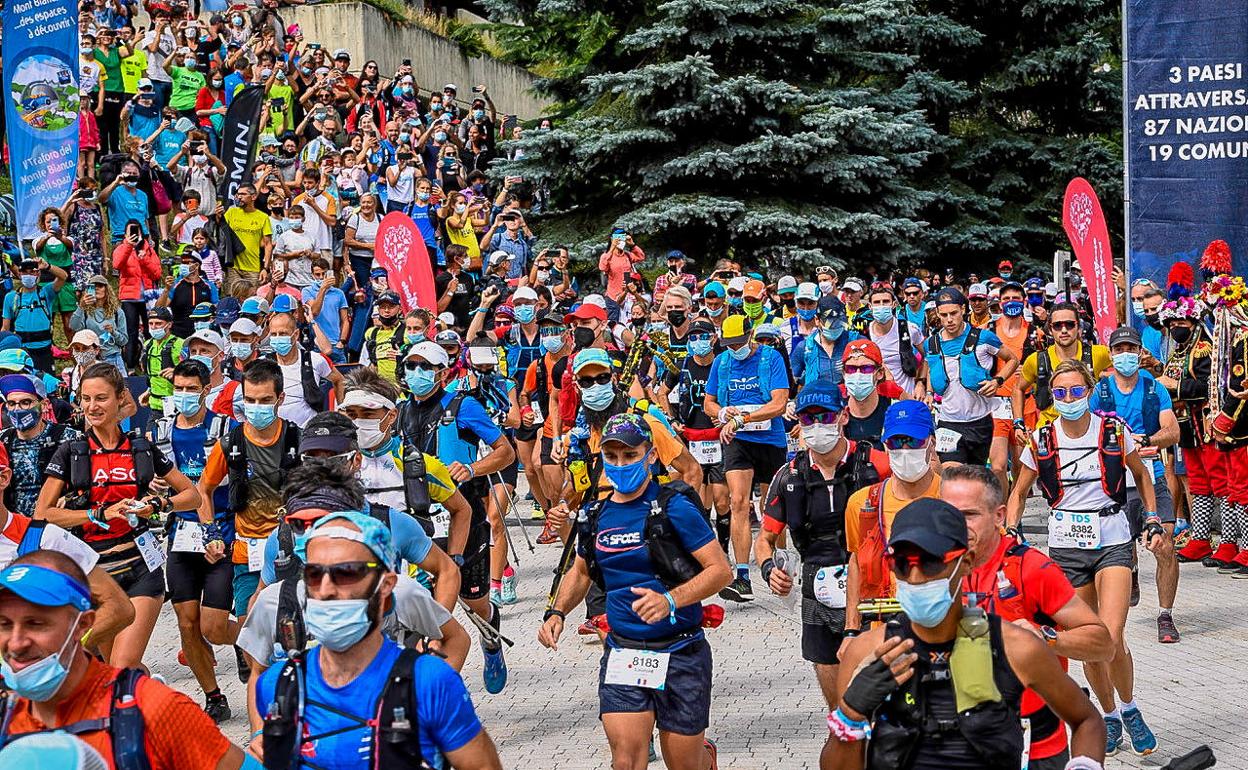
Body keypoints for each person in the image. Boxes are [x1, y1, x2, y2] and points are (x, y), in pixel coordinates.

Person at [826, 498, 1106, 770]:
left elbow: (1087, 720)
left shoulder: (1016, 648)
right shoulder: (866, 652)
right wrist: (850, 715)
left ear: (967, 560)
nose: (914, 576)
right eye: (900, 562)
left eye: (931, 561)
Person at [539, 413, 731, 770]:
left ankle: (706, 757)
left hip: (681, 650)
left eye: (630, 455)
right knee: (626, 761)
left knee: (684, 763)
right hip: (624, 652)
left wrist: (671, 599)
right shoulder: (595, 515)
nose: (620, 464)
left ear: (651, 456)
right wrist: (556, 612)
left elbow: (720, 571)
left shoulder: (674, 507)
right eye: (611, 457)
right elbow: (580, 572)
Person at [253, 512, 503, 769]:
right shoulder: (276, 686)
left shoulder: (430, 682)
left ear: (386, 585)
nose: (326, 589)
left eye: (346, 572)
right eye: (314, 573)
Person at [1008, 359, 1164, 757]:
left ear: (1090, 392)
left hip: (1112, 539)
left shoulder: (1113, 431)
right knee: (1087, 640)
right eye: (1060, 393)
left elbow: (1142, 474)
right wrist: (1010, 528)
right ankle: (1108, 715)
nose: (1069, 398)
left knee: (1109, 639)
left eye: (1077, 391)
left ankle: (1130, 709)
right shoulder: (1041, 439)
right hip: (1066, 546)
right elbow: (1020, 491)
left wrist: (1152, 515)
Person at [0, 550, 253, 769]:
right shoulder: (6, 716)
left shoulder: (154, 710)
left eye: (36, 624)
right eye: (4, 624)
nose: (16, 642)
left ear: (83, 624)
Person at [944, 463, 1113, 770]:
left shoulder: (1030, 568)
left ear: (999, 516)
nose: (957, 525)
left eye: (969, 514)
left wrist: (1047, 638)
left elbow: (1102, 643)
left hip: (1034, 748)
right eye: (948, 514)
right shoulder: (929, 569)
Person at [37, 363, 202, 670]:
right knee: (110, 670)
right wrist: (95, 513)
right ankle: (146, 699)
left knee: (123, 664)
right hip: (95, 573)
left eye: (100, 398)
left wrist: (158, 503)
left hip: (141, 566)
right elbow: (43, 513)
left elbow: (192, 495)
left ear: (120, 398)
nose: (92, 406)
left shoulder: (141, 448)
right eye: (85, 399)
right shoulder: (72, 452)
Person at [755, 380, 886, 747]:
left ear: (843, 416)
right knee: (841, 713)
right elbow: (764, 539)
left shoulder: (875, 463)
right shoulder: (789, 475)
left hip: (872, 589)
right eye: (807, 419)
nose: (817, 426)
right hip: (817, 591)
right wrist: (769, 570)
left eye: (824, 416)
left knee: (877, 699)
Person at [398, 341, 516, 692]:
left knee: (474, 602)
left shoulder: (462, 406)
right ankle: (434, 680)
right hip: (421, 520)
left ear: (442, 372)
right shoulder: (402, 411)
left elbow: (506, 453)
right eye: (411, 365)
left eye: (424, 366)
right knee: (429, 602)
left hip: (464, 516)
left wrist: (471, 468)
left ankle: (490, 638)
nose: (416, 373)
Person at [152, 359, 237, 721]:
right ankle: (213, 695)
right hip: (181, 536)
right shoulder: (158, 433)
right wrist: (154, 486)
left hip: (222, 534)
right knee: (187, 623)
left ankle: (249, 644)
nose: (184, 395)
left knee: (213, 627)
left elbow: (238, 475)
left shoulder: (225, 428)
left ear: (205, 390)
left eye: (191, 389)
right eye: (179, 389)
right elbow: (151, 478)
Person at [1092, 325, 1182, 643]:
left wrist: (1150, 439)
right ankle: (1128, 570)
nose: (1126, 355)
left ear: (1140, 353)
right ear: (1111, 353)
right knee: (1120, 548)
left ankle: (1165, 616)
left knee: (1165, 545)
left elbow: (1172, 431)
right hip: (1116, 482)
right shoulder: (1100, 391)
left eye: (1131, 349)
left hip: (1151, 475)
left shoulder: (1154, 388)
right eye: (1120, 350)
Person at [702, 315, 790, 602]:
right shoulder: (722, 361)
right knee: (738, 503)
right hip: (737, 440)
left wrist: (743, 418)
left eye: (740, 343)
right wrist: (722, 414)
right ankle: (742, 576)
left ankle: (781, 567)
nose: (735, 348)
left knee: (772, 506)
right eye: (729, 344)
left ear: (750, 336)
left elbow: (779, 404)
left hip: (769, 439)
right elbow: (709, 402)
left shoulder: (771, 358)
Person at [843, 400, 942, 645]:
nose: (905, 449)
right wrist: (851, 631)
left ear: (932, 443)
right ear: (885, 446)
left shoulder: (955, 497)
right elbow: (855, 563)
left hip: (943, 630)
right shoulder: (862, 502)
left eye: (914, 441)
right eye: (896, 442)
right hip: (882, 631)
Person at [925, 287, 1018, 467]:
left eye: (953, 313)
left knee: (976, 478)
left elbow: (1012, 360)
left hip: (979, 422)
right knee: (951, 472)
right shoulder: (932, 343)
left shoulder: (984, 338)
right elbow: (932, 368)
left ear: (963, 309)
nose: (949, 320)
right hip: (948, 422)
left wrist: (997, 381)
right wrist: (929, 391)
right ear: (937, 313)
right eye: (944, 315)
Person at [0, 374, 83, 519]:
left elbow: (89, 484)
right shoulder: (3, 440)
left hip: (57, 528)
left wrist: (70, 497)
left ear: (44, 404)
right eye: (11, 403)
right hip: (13, 530)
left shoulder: (68, 438)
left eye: (25, 402)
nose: (17, 409)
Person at [265, 310, 343, 427]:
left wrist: (341, 411)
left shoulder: (315, 360)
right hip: (275, 433)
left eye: (283, 334)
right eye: (273, 334)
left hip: (309, 433)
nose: (277, 338)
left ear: (295, 335)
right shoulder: (263, 364)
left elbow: (339, 380)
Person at [2, 257, 68, 374]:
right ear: (20, 274)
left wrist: (47, 266)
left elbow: (63, 276)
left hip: (44, 349)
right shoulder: (11, 297)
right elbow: (5, 328)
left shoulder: (46, 292)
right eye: (25, 272)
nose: (29, 275)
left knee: (47, 383)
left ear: (38, 273)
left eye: (32, 271)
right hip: (23, 350)